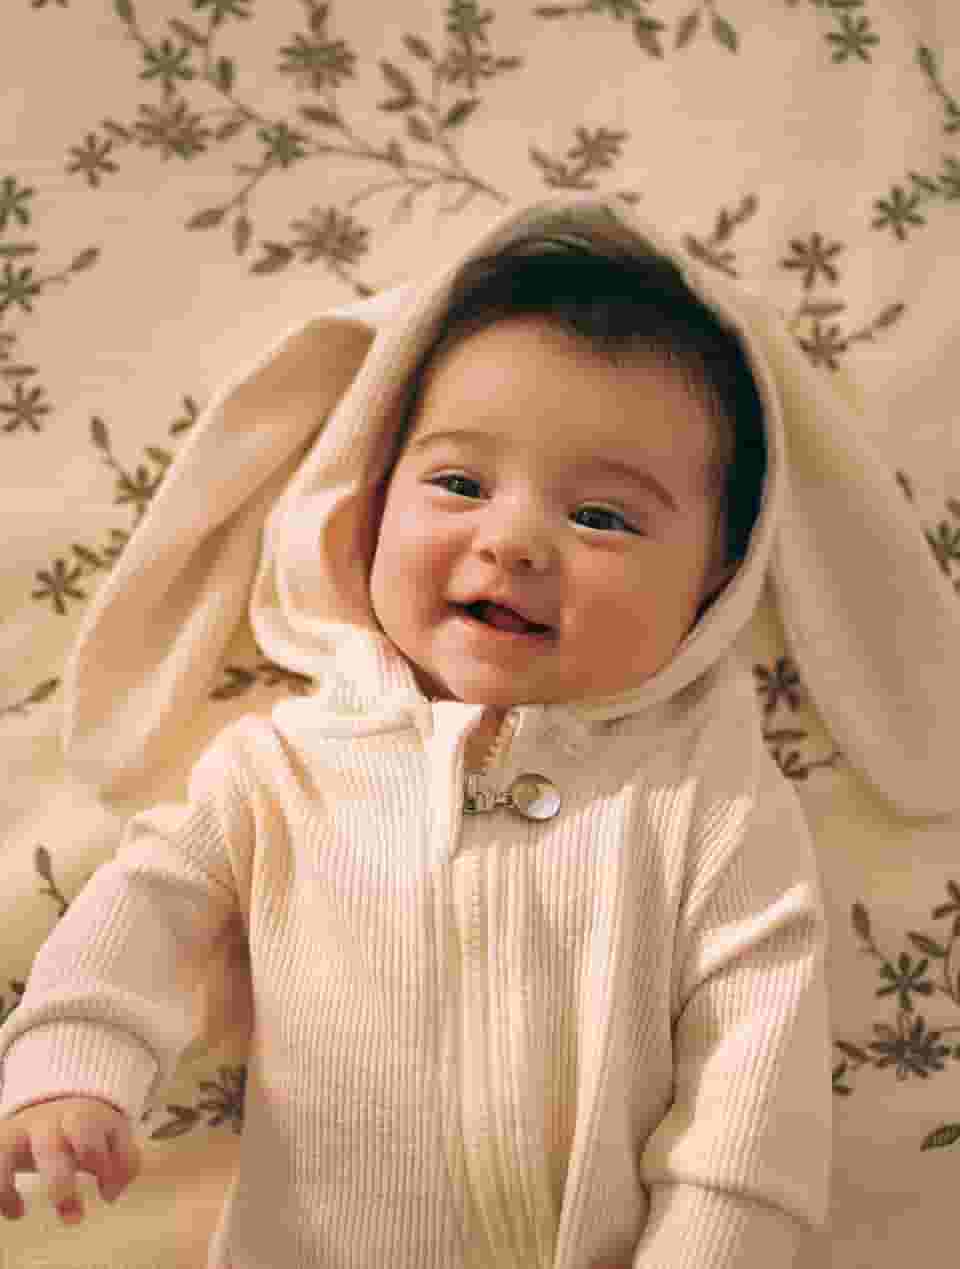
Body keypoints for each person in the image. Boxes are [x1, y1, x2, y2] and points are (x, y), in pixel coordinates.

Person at [0, 197, 832, 1269]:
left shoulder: (711, 805)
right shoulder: (283, 768)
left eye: (603, 516)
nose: (515, 539)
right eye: (458, 483)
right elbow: (144, 909)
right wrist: (71, 1064)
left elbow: (755, 1070)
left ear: (719, 577)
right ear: (366, 501)